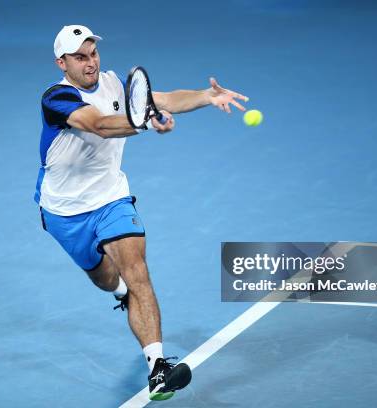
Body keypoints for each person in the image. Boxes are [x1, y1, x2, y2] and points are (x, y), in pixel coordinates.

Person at [35, 24, 248, 401]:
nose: (91, 63)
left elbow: (163, 99)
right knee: (106, 279)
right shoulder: (56, 98)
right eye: (80, 57)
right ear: (62, 63)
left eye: (93, 53)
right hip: (65, 212)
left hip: (112, 199)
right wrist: (143, 123)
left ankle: (158, 369)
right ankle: (118, 291)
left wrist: (205, 96)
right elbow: (98, 125)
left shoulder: (115, 83)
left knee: (138, 272)